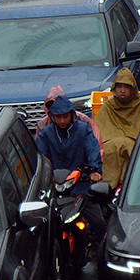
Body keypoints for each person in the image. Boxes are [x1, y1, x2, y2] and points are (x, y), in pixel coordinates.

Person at [36, 97, 105, 247]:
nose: (62, 120)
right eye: (58, 117)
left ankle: (98, 248)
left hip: (81, 184)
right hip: (55, 186)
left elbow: (93, 150)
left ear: (72, 115)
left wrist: (95, 170)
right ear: (52, 117)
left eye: (65, 116)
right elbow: (40, 157)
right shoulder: (46, 134)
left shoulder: (83, 130)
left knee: (99, 222)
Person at [93, 68, 140, 189]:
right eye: (119, 87)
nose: (122, 91)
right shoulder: (109, 105)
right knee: (113, 148)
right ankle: (109, 187)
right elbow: (97, 132)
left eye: (126, 87)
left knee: (129, 148)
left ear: (132, 88)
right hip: (112, 143)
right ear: (114, 88)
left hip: (135, 142)